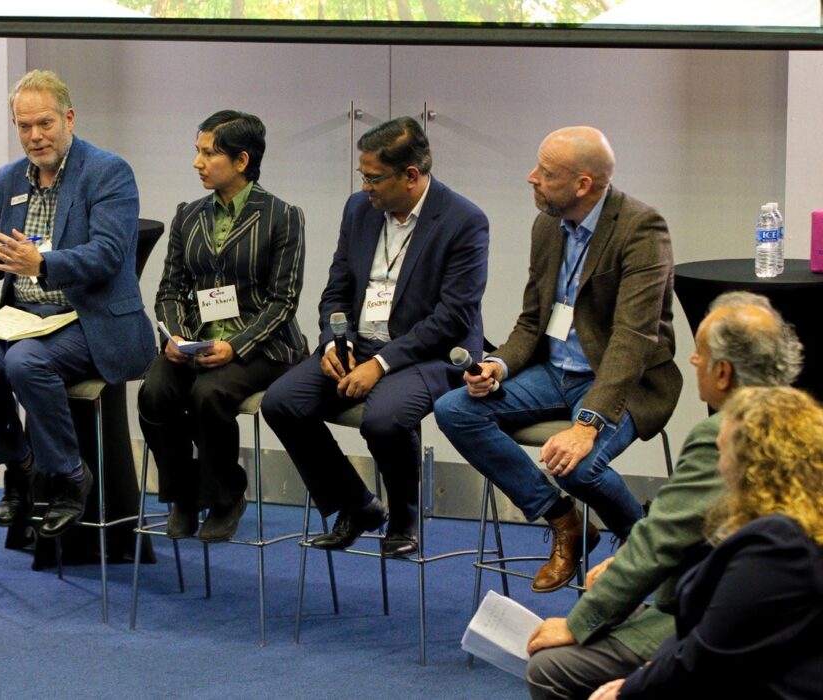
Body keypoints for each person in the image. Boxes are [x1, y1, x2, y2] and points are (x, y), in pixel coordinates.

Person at [434, 126, 681, 591]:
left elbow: (633, 339)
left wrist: (587, 424)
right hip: (553, 371)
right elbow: (532, 322)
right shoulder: (547, 225)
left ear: (583, 184)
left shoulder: (642, 229)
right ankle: (564, 520)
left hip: (621, 378)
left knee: (580, 465)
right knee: (454, 410)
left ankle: (643, 545)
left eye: (545, 173)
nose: (531, 178)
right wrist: (500, 366)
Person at [526, 291, 804, 699]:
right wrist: (625, 562)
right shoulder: (801, 420)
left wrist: (577, 623)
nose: (693, 360)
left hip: (720, 618)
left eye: (701, 352)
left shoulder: (727, 434)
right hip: (774, 611)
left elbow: (662, 539)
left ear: (723, 372)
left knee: (550, 668)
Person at [262, 116, 489, 557]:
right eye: (361, 176)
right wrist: (334, 341)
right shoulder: (358, 209)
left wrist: (380, 364)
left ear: (411, 176)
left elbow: (452, 317)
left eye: (373, 177)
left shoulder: (464, 221)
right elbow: (338, 287)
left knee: (383, 420)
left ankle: (404, 516)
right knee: (281, 402)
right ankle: (357, 504)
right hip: (359, 343)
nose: (365, 186)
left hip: (429, 352)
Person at [0, 70, 153, 539]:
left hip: (89, 317)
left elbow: (108, 254)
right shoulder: (9, 179)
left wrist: (42, 263)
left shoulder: (107, 171)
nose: (34, 136)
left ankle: (69, 476)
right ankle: (20, 468)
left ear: (69, 118)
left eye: (44, 123)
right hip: (23, 315)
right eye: (23, 126)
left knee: (26, 363)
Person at [589, 386, 823, 699]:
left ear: (751, 463)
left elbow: (706, 650)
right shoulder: (791, 522)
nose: (719, 463)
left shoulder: (778, 543)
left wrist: (628, 690)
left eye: (723, 451)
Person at [137, 110, 307, 543]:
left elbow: (282, 302)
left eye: (208, 153)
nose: (197, 162)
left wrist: (235, 347)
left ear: (242, 160)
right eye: (197, 151)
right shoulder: (187, 215)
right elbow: (170, 290)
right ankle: (183, 494)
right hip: (195, 341)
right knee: (154, 392)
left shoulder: (283, 217)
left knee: (208, 393)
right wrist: (174, 336)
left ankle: (226, 495)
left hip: (260, 346)